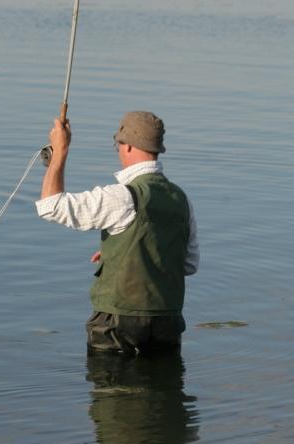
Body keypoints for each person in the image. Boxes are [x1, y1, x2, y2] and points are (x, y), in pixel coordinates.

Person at [36, 111, 199, 355]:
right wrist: (123, 253)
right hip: (168, 322)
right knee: (165, 391)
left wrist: (60, 151)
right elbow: (188, 264)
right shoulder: (181, 199)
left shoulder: (121, 196)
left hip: (117, 324)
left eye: (117, 144)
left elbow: (51, 206)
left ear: (129, 147)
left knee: (112, 392)